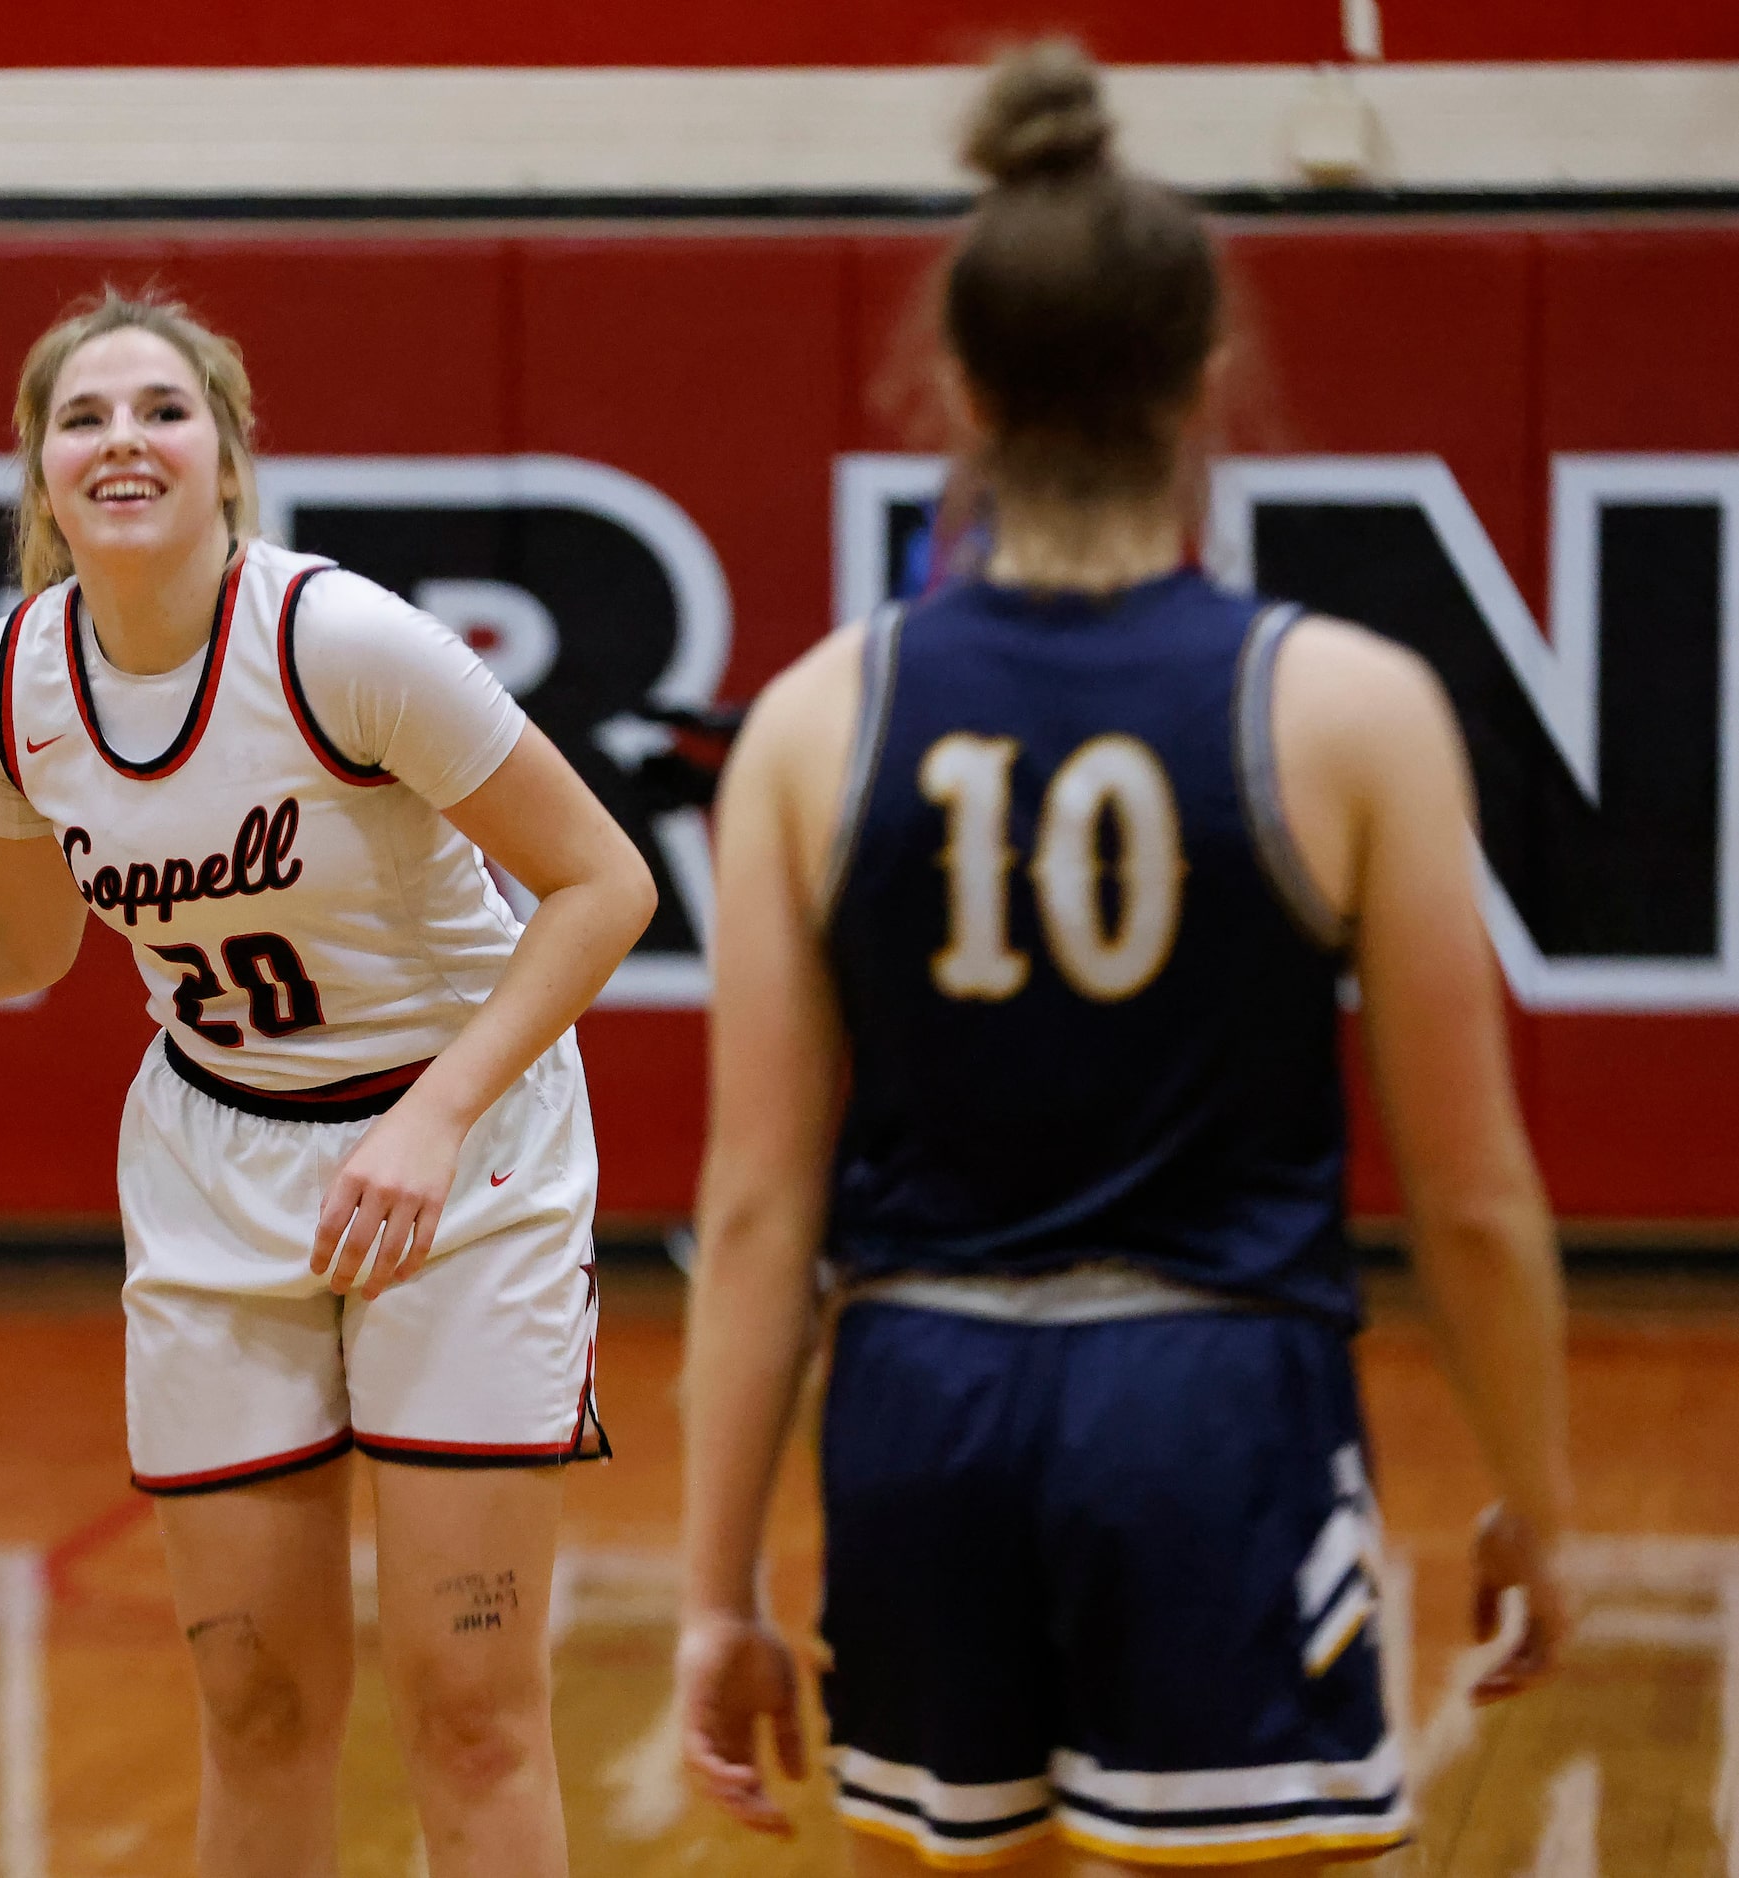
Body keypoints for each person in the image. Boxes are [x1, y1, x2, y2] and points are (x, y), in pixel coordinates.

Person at [0, 288, 656, 1878]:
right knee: (256, 1696)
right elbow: (16, 938)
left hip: (463, 1159)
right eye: (80, 419)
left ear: (228, 460)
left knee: (472, 1707)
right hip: (216, 1162)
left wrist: (433, 1119)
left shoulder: (341, 643)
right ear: (38, 478)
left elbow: (604, 886)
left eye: (160, 410)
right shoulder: (7, 681)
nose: (121, 441)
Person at [674, 43, 1573, 1874]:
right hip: (1213, 1411)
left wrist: (711, 1591)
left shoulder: (812, 717)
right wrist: (1537, 1508)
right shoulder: (1345, 705)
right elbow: (1469, 1194)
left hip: (918, 1407)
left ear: (959, 383)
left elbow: (758, 1205)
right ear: (1206, 379)